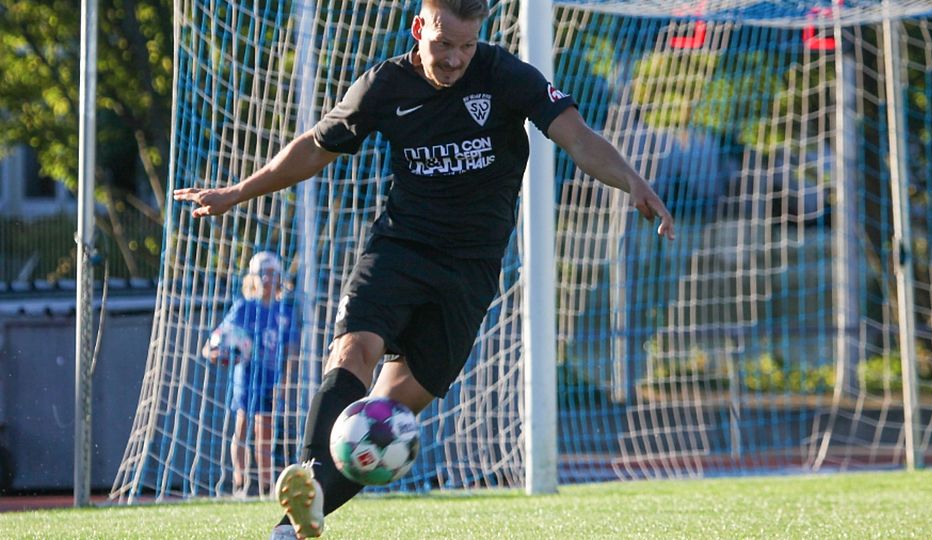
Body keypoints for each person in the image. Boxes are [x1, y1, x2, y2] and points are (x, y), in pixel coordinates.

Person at [175, 0, 675, 536]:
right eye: (443, 43)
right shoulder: (384, 85)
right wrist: (237, 192)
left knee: (386, 419)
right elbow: (315, 148)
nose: (457, 58)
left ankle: (290, 523)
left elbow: (577, 136)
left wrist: (631, 180)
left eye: (467, 45)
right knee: (353, 350)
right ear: (419, 28)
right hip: (400, 249)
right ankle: (308, 483)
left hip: (470, 274)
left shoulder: (504, 74)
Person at [202, 251, 301, 498]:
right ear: (253, 277)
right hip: (245, 378)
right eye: (261, 274)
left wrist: (286, 382)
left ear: (279, 277)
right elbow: (216, 340)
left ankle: (266, 486)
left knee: (265, 432)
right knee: (242, 426)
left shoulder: (285, 313)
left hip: (271, 379)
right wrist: (213, 352)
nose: (267, 279)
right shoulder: (244, 307)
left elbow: (291, 352)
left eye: (272, 273)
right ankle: (240, 483)